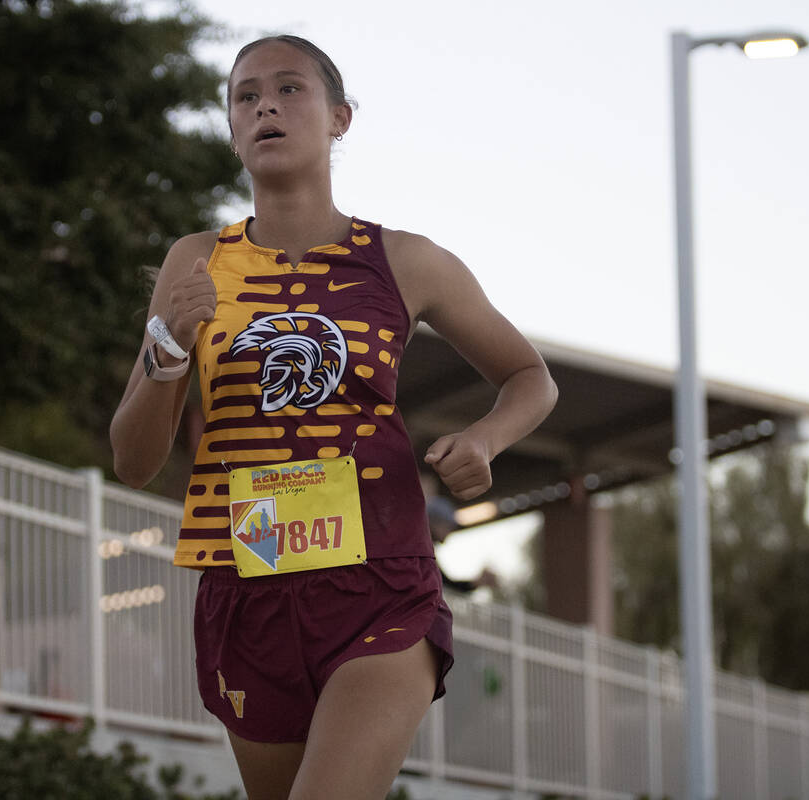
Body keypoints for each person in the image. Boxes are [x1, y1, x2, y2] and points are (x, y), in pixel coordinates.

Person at [110, 35, 557, 800]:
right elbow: (133, 460)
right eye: (246, 97)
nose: (266, 107)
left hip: (379, 579)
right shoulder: (194, 262)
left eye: (289, 90)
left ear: (340, 118)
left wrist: (485, 437)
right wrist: (167, 349)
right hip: (246, 580)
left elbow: (529, 377)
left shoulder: (405, 261)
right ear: (232, 128)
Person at [426, 495, 500, 594]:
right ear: (433, 522)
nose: (450, 531)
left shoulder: (427, 552)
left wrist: (477, 582)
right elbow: (445, 585)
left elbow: (445, 584)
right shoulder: (421, 553)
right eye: (448, 525)